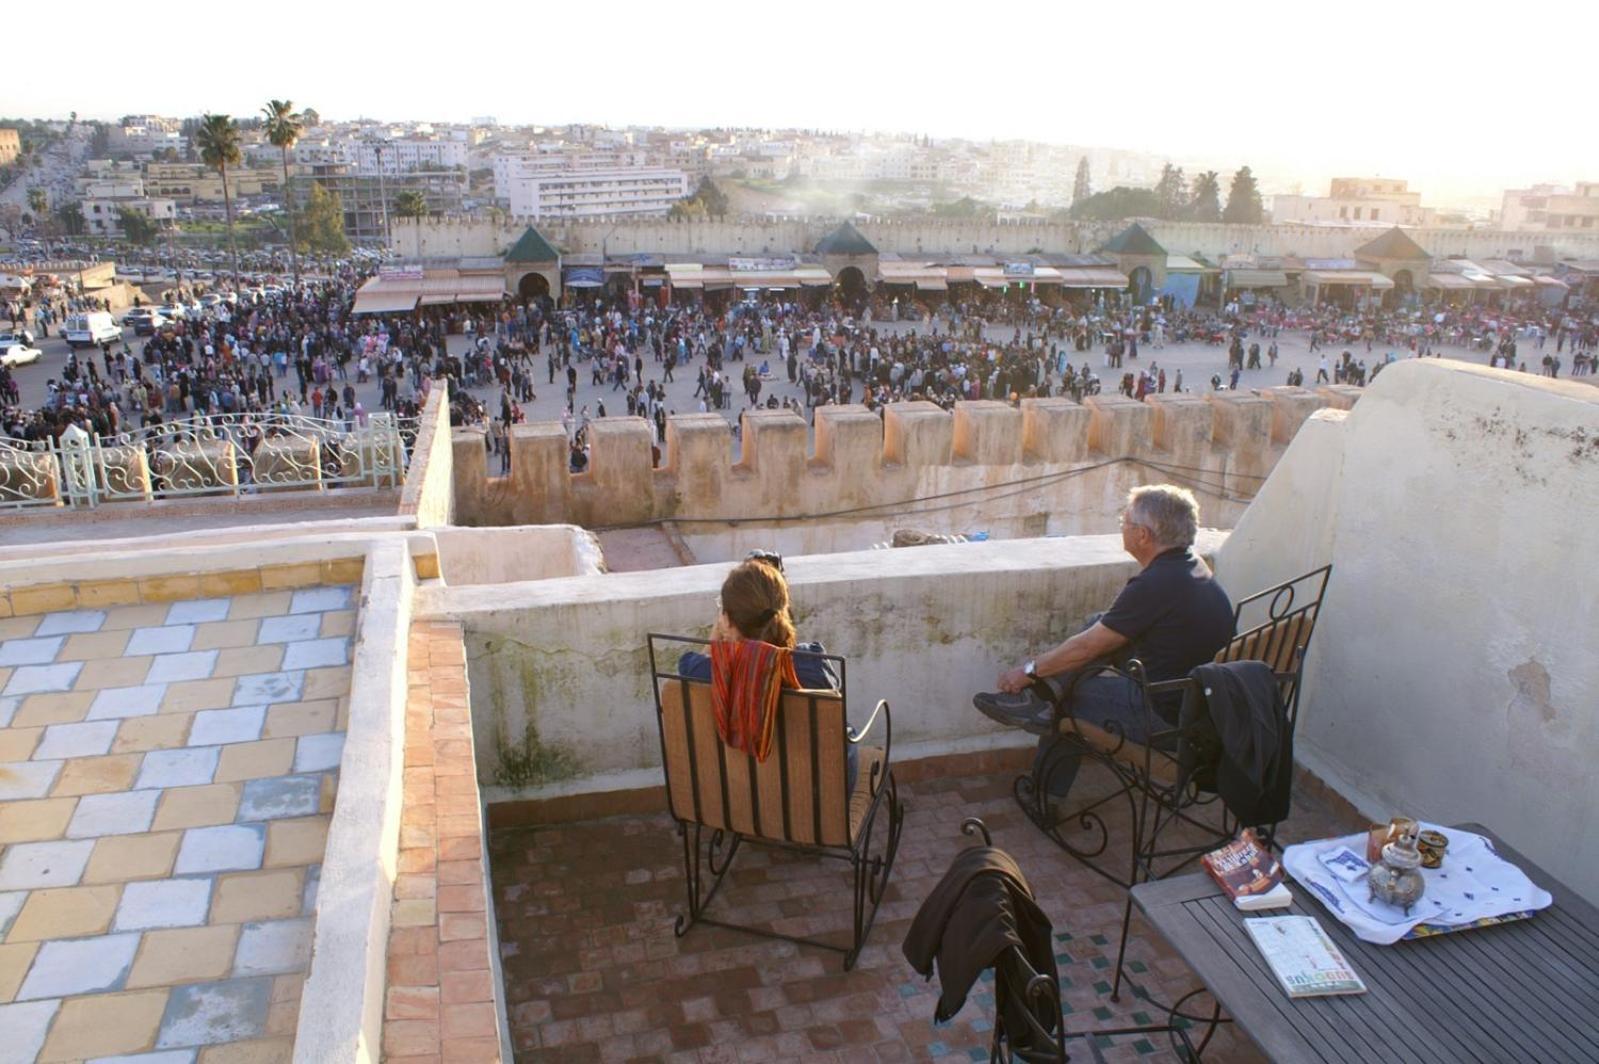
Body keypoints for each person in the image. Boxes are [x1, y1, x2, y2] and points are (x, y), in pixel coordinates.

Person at [972, 484, 1235, 803]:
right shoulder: (1191, 565)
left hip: (1168, 717)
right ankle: (1042, 699)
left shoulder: (1155, 585)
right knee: (1099, 622)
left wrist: (1028, 671)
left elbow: (1088, 648)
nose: (1121, 528)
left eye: (1124, 522)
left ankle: (1044, 794)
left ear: (1143, 536)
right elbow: (1099, 635)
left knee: (1069, 698)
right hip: (1199, 704)